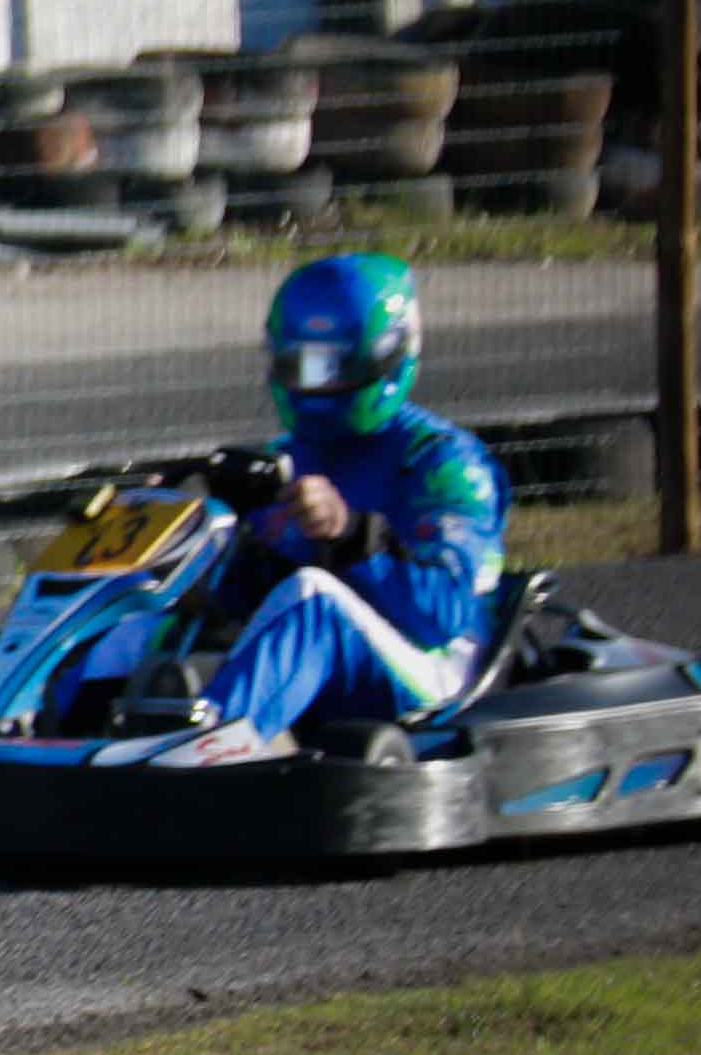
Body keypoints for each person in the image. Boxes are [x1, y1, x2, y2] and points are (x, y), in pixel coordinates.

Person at [141, 251, 509, 766]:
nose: (314, 386)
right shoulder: (282, 460)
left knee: (313, 597)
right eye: (298, 367)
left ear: (387, 357)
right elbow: (249, 598)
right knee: (147, 603)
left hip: (435, 671)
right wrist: (203, 545)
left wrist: (349, 532)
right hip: (322, 667)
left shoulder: (444, 463)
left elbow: (441, 614)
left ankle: (198, 761)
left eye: (332, 369)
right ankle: (57, 731)